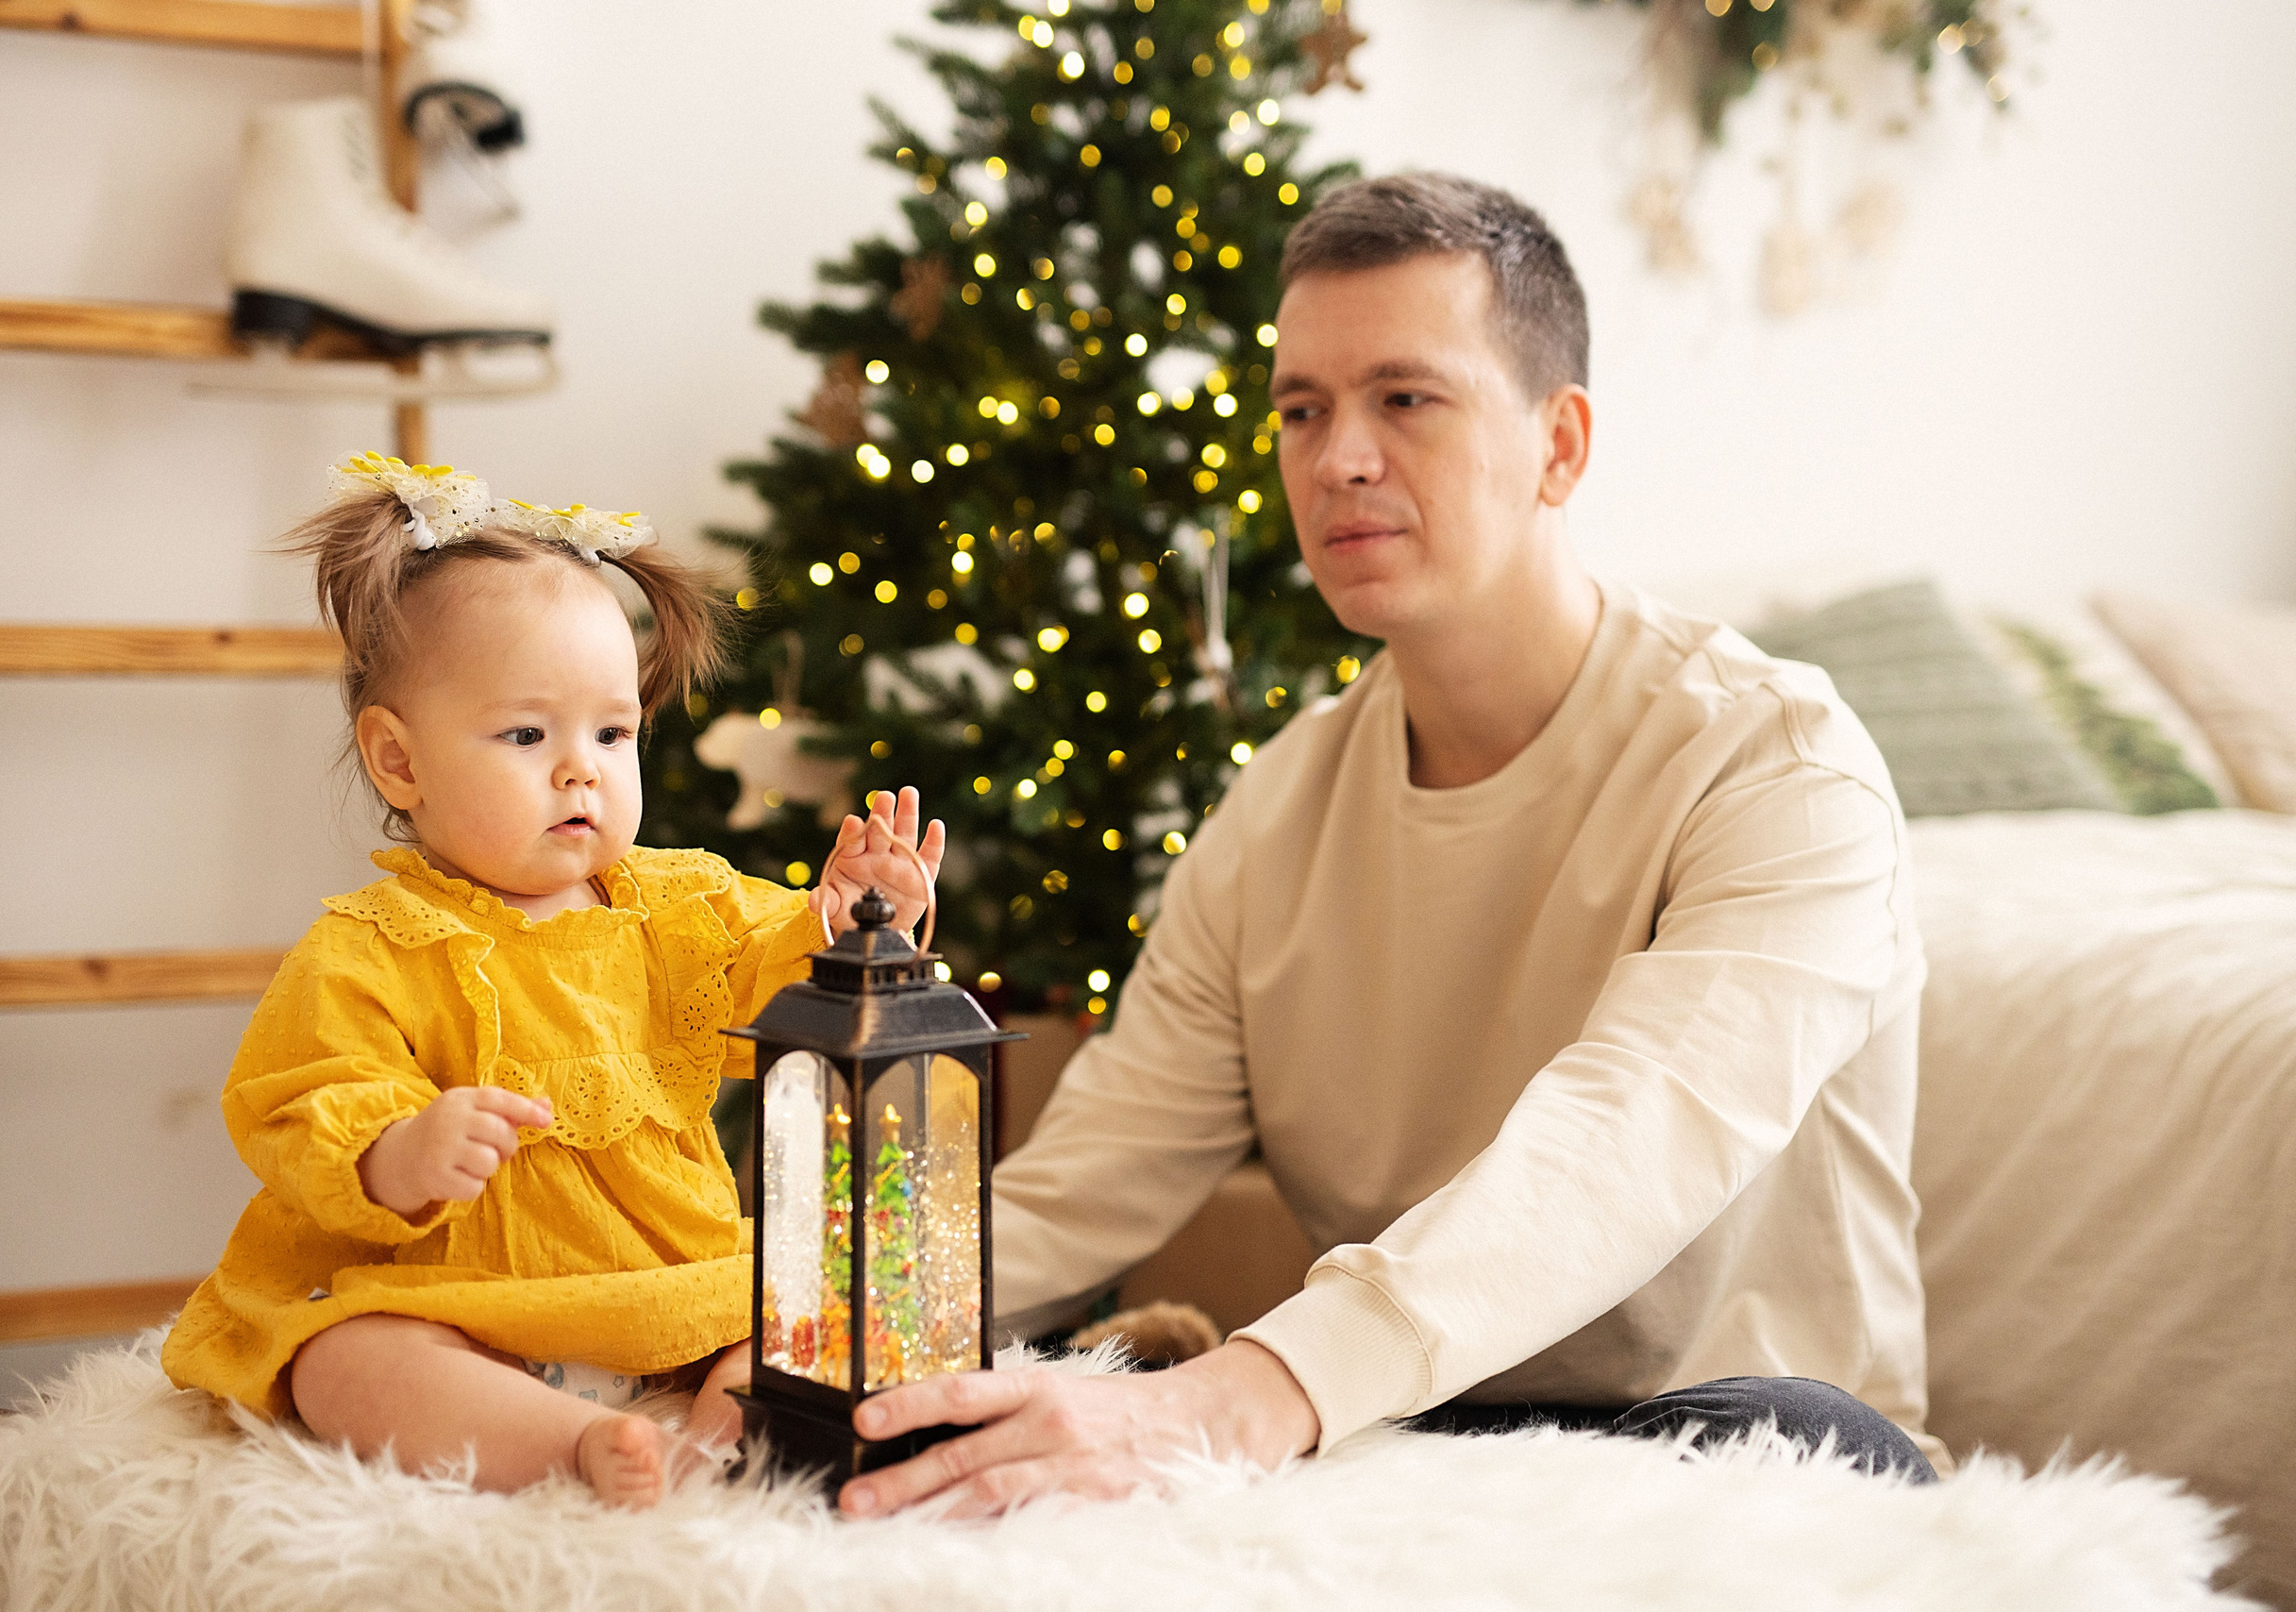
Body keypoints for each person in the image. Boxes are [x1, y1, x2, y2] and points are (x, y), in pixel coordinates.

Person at [834, 175, 1945, 1519]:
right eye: (1302, 411)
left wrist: (1232, 1397)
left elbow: (1622, 1146)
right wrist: (784, 1341)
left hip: (1758, 1461)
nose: (1336, 457)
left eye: (1405, 399)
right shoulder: (1277, 812)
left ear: (1561, 446)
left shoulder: (1778, 767)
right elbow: (1085, 1184)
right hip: (1428, 1449)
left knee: (1767, 1430)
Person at [160, 453, 942, 1510]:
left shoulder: (677, 904)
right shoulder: (369, 945)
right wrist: (398, 1150)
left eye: (611, 733)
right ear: (399, 762)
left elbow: (777, 985)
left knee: (817, 1299)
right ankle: (572, 1439)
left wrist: (848, 923)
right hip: (466, 1299)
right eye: (528, 734)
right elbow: (296, 1101)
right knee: (338, 1358)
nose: (581, 768)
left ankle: (721, 1428)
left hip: (670, 1282)